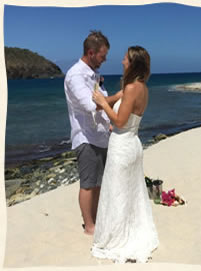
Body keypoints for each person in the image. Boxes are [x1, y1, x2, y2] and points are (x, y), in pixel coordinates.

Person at [91, 46, 159, 263]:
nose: (121, 61)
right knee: (129, 192)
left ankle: (117, 238)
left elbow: (119, 121)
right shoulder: (141, 87)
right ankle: (126, 230)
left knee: (118, 192)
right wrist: (101, 100)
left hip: (122, 146)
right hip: (133, 144)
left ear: (133, 63)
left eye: (125, 58)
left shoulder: (131, 88)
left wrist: (102, 103)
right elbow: (114, 101)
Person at [64, 31, 120, 235]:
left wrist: (110, 124)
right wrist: (119, 96)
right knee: (88, 183)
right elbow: (91, 105)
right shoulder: (75, 75)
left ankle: (95, 220)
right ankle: (89, 226)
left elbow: (102, 105)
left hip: (100, 135)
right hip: (85, 135)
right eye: (102, 55)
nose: (104, 59)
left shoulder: (93, 75)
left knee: (97, 182)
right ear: (91, 52)